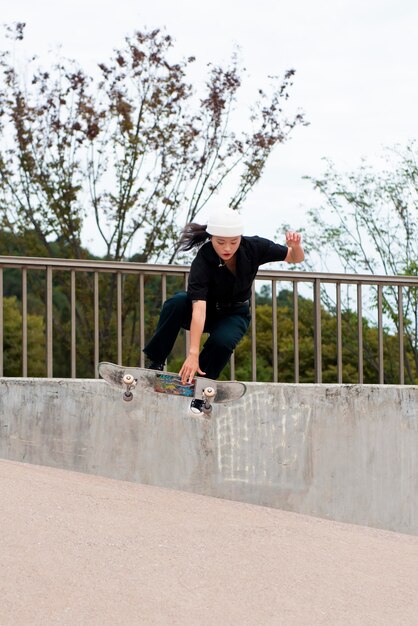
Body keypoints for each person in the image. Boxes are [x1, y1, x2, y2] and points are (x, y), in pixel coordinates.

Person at [143, 207, 304, 414]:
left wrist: (296, 246)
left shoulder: (254, 247)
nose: (227, 248)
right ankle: (155, 361)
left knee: (223, 342)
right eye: (220, 242)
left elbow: (295, 258)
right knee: (176, 302)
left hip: (234, 314)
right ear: (211, 238)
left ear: (240, 237)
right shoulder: (203, 259)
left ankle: (202, 387)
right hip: (206, 310)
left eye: (233, 242)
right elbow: (198, 308)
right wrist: (192, 353)